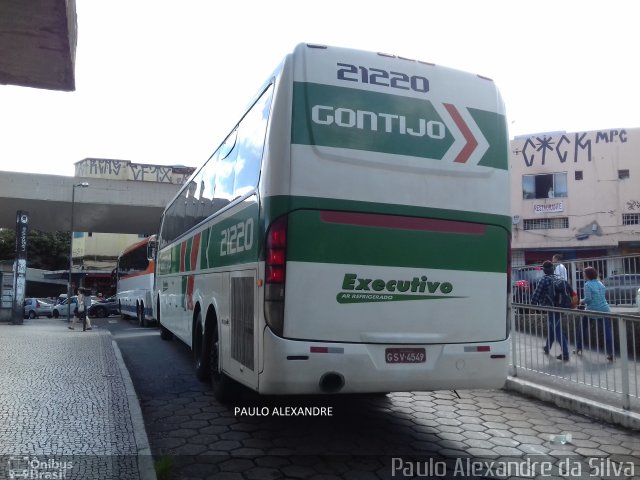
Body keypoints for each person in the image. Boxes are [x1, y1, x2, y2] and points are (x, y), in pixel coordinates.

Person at [530, 260, 570, 361]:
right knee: (553, 327)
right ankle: (547, 348)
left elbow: (537, 293)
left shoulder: (543, 280)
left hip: (550, 306)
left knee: (557, 329)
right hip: (561, 306)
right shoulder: (559, 278)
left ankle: (565, 353)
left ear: (544, 270)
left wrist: (532, 305)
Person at [575, 267, 614, 361]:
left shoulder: (587, 285)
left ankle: (579, 348)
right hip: (604, 309)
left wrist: (580, 301)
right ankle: (610, 352)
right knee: (607, 331)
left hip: (592, 310)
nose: (582, 275)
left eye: (584, 273)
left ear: (587, 275)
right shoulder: (600, 283)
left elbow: (588, 299)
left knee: (582, 328)